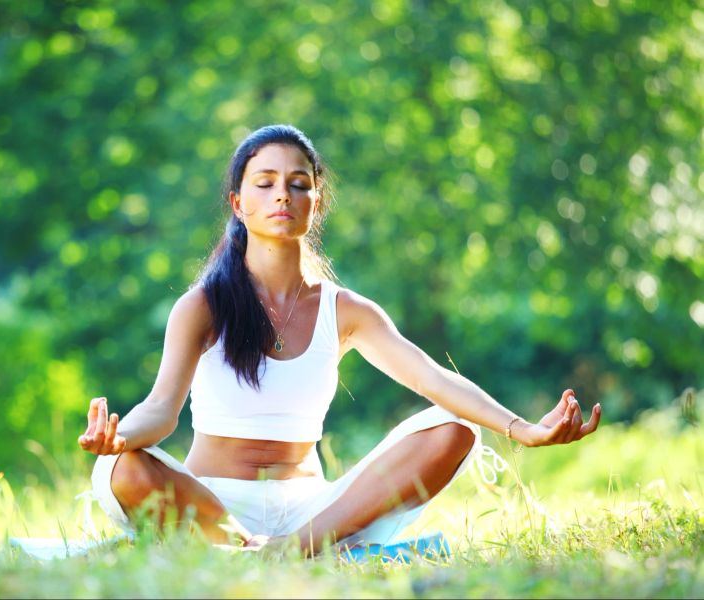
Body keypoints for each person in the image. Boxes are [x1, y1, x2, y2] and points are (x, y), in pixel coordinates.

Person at [77, 124, 602, 554]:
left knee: (454, 430)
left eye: (298, 183)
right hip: (213, 503)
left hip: (313, 513)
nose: (283, 192)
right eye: (265, 182)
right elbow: (161, 411)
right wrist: (120, 438)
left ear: (316, 201)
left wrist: (523, 429)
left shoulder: (345, 310)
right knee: (118, 469)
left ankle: (290, 550)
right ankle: (240, 546)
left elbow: (432, 378)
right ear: (238, 204)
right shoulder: (202, 306)